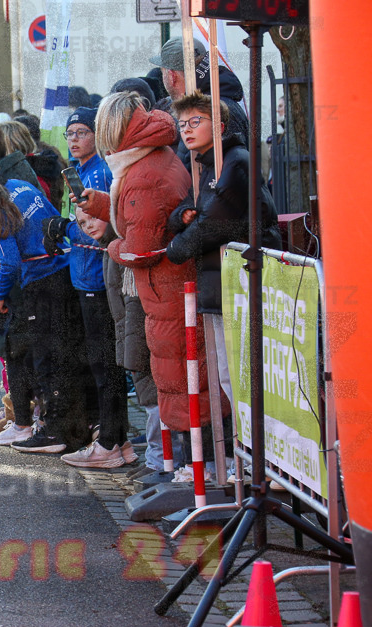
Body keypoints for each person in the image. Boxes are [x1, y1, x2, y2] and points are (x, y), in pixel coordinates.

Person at [78, 91, 217, 450]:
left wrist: (111, 247)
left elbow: (140, 249)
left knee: (179, 378)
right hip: (170, 286)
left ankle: (192, 465)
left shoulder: (143, 173)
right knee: (179, 376)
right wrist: (100, 204)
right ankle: (185, 461)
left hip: (167, 289)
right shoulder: (150, 155)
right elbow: (140, 215)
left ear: (111, 129)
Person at [0, 144, 89, 454]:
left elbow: (10, 263)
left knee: (45, 359)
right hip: (64, 269)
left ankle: (52, 432)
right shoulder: (19, 185)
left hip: (40, 283)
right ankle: (65, 428)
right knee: (63, 354)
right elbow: (53, 219)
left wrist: (0, 295)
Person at [165, 92, 281, 407]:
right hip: (220, 283)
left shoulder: (235, 160)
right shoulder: (205, 164)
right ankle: (242, 437)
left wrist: (175, 248)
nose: (187, 130)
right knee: (229, 375)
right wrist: (182, 217)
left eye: (195, 121)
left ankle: (252, 438)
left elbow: (214, 223)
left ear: (219, 125)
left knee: (245, 374)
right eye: (182, 124)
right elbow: (188, 210)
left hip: (242, 282)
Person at [40, 107, 132, 468]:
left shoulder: (100, 171)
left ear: (96, 134)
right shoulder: (78, 170)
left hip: (98, 277)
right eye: (70, 133)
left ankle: (111, 442)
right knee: (98, 362)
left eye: (82, 132)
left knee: (105, 363)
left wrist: (64, 228)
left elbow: (97, 227)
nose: (74, 139)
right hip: (81, 274)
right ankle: (117, 439)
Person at [148, 36, 249, 167]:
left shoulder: (213, 110)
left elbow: (223, 171)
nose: (187, 129)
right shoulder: (219, 103)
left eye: (163, 73)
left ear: (172, 76)